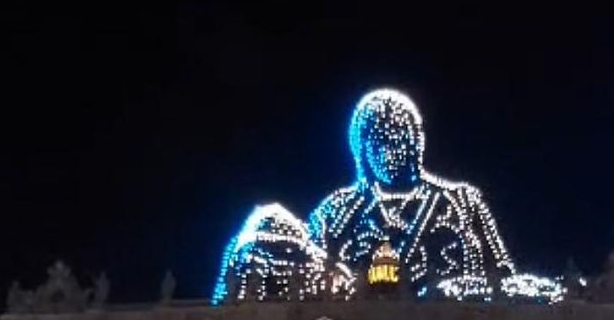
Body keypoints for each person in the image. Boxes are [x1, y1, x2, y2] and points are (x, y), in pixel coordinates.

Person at [213, 89, 516, 303]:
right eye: (379, 141)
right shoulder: (334, 212)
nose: (391, 150)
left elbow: (504, 277)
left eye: (399, 136)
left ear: (416, 141)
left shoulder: (462, 202)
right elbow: (306, 284)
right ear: (362, 150)